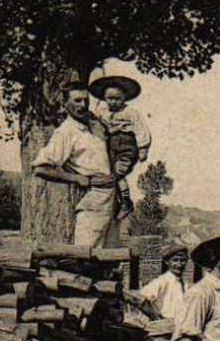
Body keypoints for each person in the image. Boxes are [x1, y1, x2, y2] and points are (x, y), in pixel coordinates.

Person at [30, 84, 121, 248]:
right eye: (77, 100)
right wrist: (75, 178)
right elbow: (40, 168)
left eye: (86, 100)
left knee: (111, 260)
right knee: (88, 257)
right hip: (93, 197)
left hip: (113, 198)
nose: (83, 105)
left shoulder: (95, 126)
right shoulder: (65, 132)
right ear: (65, 104)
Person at [88, 75, 149, 223]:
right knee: (109, 172)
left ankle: (126, 202)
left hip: (126, 144)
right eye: (110, 98)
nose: (113, 102)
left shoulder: (130, 113)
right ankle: (118, 200)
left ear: (124, 98)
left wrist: (143, 148)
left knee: (119, 172)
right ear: (104, 98)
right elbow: (96, 122)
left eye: (117, 98)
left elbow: (141, 129)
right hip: (111, 144)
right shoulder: (102, 112)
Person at [135, 240, 190, 323]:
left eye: (182, 260)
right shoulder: (161, 282)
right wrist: (157, 318)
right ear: (167, 262)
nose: (179, 264)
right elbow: (141, 299)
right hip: (164, 329)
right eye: (175, 260)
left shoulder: (185, 285)